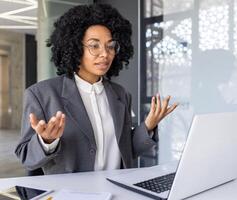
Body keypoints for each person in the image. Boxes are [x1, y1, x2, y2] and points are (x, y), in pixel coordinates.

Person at [15, 3, 177, 175]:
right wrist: (46, 141)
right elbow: (26, 157)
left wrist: (148, 126)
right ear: (75, 48)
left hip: (116, 190)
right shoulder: (41, 94)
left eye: (110, 46)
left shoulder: (121, 94)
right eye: (94, 46)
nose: (105, 54)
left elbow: (125, 151)